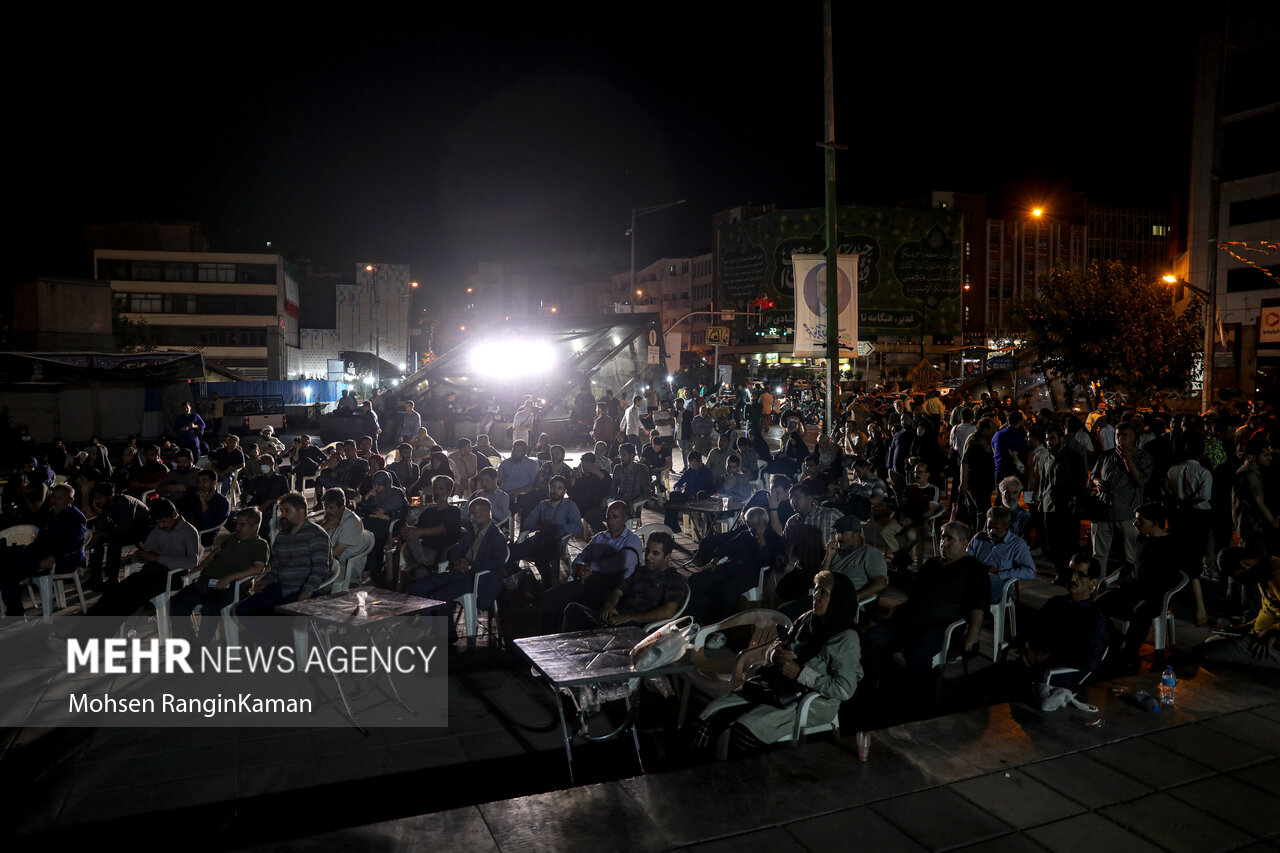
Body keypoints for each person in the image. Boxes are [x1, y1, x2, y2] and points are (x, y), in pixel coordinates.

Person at [695, 570, 862, 759]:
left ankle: (743, 784)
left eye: (823, 592)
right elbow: (776, 646)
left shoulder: (846, 638)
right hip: (777, 687)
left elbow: (844, 689)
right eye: (815, 590)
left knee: (744, 731)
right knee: (712, 715)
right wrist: (776, 655)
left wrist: (800, 673)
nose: (815, 596)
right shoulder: (807, 619)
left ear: (838, 598)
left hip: (812, 700)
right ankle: (697, 776)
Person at [964, 552, 1110, 701]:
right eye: (1070, 573)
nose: (1072, 578)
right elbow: (1028, 631)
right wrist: (1026, 649)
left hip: (1052, 679)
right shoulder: (1056, 604)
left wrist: (1045, 658)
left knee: (985, 692)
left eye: (1080, 575)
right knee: (971, 685)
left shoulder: (1095, 620)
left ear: (1093, 583)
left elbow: (1088, 660)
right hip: (1026, 666)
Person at [865, 521, 986, 678]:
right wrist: (902, 607)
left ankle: (922, 695)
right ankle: (883, 680)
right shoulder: (932, 564)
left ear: (964, 543)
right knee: (874, 638)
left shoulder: (974, 569)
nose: (944, 542)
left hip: (942, 625)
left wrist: (973, 633)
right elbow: (917, 594)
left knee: (917, 653)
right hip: (912, 618)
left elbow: (978, 605)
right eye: (943, 538)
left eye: (950, 539)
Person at [409, 497, 507, 642]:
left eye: (475, 514)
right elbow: (455, 550)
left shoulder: (497, 537)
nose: (471, 517)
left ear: (486, 514)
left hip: (477, 579)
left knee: (441, 595)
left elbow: (497, 564)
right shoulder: (472, 532)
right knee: (418, 587)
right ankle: (430, 626)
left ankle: (448, 633)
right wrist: (456, 560)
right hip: (459, 572)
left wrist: (470, 565)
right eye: (471, 514)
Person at [1096, 503, 1184, 665]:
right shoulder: (1142, 538)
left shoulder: (1170, 545)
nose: (1135, 524)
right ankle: (1117, 640)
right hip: (1131, 589)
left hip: (1154, 594)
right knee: (1098, 603)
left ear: (1154, 523)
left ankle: (1128, 651)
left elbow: (1171, 578)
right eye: (1136, 521)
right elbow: (1135, 564)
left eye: (1140, 521)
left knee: (1141, 611)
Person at [170, 508, 270, 646]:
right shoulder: (231, 538)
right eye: (237, 524)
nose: (237, 527)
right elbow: (214, 553)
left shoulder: (259, 544)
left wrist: (230, 578)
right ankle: (189, 644)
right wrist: (200, 567)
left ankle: (202, 645)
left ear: (254, 526)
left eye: (242, 524)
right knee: (177, 601)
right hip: (206, 582)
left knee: (211, 608)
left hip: (230, 587)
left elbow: (259, 568)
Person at [540, 501, 642, 633]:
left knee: (573, 610)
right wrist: (580, 568)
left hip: (612, 590)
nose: (610, 521)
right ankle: (548, 639)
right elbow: (579, 559)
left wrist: (591, 567)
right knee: (548, 598)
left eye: (615, 516)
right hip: (588, 584)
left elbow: (620, 563)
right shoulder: (600, 537)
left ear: (625, 518)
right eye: (608, 516)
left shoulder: (632, 540)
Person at [562, 531, 687, 631]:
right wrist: (609, 605)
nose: (648, 557)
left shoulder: (674, 579)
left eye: (655, 553)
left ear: (667, 557)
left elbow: (668, 612)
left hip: (636, 627)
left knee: (596, 630)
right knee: (572, 609)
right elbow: (618, 591)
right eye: (647, 551)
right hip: (617, 617)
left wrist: (629, 618)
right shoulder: (640, 571)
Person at [235, 493, 332, 617]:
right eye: (282, 511)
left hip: (304, 590)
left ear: (301, 512)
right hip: (282, 587)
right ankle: (267, 636)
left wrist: (306, 592)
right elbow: (277, 565)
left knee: (275, 616)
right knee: (242, 610)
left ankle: (277, 635)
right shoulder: (282, 536)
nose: (283, 515)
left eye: (287, 511)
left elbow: (320, 568)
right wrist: (266, 580)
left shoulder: (317, 535)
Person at [687, 506, 785, 623]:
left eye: (752, 524)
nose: (749, 527)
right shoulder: (744, 535)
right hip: (732, 567)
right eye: (748, 524)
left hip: (752, 573)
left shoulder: (773, 538)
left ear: (762, 522)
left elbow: (766, 560)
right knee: (697, 579)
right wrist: (714, 561)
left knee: (726, 589)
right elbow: (725, 548)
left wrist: (760, 535)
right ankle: (695, 619)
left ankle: (720, 625)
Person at [1, 484, 87, 617]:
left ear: (69, 501)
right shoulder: (50, 514)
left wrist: (53, 557)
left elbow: (73, 543)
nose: (54, 500)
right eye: (53, 496)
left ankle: (15, 611)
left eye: (60, 498)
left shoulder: (75, 517)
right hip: (44, 554)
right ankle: (15, 609)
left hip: (64, 559)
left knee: (10, 570)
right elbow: (41, 538)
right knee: (7, 562)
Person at [1196, 548, 1280, 669]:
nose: (1240, 582)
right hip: (1261, 635)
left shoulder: (1276, 574)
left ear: (1245, 563)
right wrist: (1241, 628)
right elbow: (1269, 612)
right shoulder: (1265, 571)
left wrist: (1270, 632)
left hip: (1271, 644)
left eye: (1238, 576)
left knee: (1205, 652)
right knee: (1212, 641)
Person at [1091, 423, 1152, 569]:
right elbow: (1094, 475)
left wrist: (1127, 459)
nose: (1120, 438)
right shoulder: (1107, 455)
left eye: (1125, 435)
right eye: (1118, 435)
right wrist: (1098, 481)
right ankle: (1097, 584)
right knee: (1098, 554)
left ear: (1134, 438)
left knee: (1130, 556)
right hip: (1103, 510)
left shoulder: (1142, 457)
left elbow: (1140, 480)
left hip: (1127, 512)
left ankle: (1130, 585)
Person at [506, 475, 582, 588]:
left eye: (559, 488)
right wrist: (539, 525)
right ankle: (524, 580)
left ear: (564, 491)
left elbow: (577, 526)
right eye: (553, 487)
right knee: (508, 553)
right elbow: (528, 522)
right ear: (549, 488)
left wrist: (557, 528)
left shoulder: (570, 506)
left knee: (540, 558)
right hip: (538, 539)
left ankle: (548, 586)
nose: (555, 491)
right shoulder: (543, 505)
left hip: (556, 542)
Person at [85, 481, 152, 589]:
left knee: (114, 541)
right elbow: (102, 527)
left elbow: (125, 527)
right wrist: (100, 513)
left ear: (110, 496)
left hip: (140, 531)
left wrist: (102, 533)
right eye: (96, 497)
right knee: (96, 543)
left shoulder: (124, 503)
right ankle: (95, 575)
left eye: (100, 497)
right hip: (122, 531)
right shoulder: (105, 505)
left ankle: (112, 578)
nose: (97, 500)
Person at [966, 505, 1036, 603]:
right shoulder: (979, 538)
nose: (991, 531)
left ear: (1006, 526)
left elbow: (1030, 572)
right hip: (975, 581)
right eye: (989, 527)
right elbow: (966, 558)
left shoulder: (1017, 544)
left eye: (996, 528)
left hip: (999, 586)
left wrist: (1001, 574)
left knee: (986, 582)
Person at [398, 476, 463, 581]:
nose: (436, 492)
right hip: (421, 548)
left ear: (449, 491)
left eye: (440, 488)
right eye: (435, 488)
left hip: (439, 550)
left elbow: (441, 529)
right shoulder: (429, 511)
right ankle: (422, 565)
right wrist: (408, 529)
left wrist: (418, 531)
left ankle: (421, 568)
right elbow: (417, 527)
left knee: (417, 573)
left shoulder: (453, 511)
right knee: (409, 534)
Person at [179, 469, 231, 544]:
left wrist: (204, 502)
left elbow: (210, 525)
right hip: (187, 529)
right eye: (198, 481)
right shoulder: (193, 496)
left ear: (213, 483)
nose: (200, 485)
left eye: (204, 481)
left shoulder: (222, 503)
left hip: (204, 534)